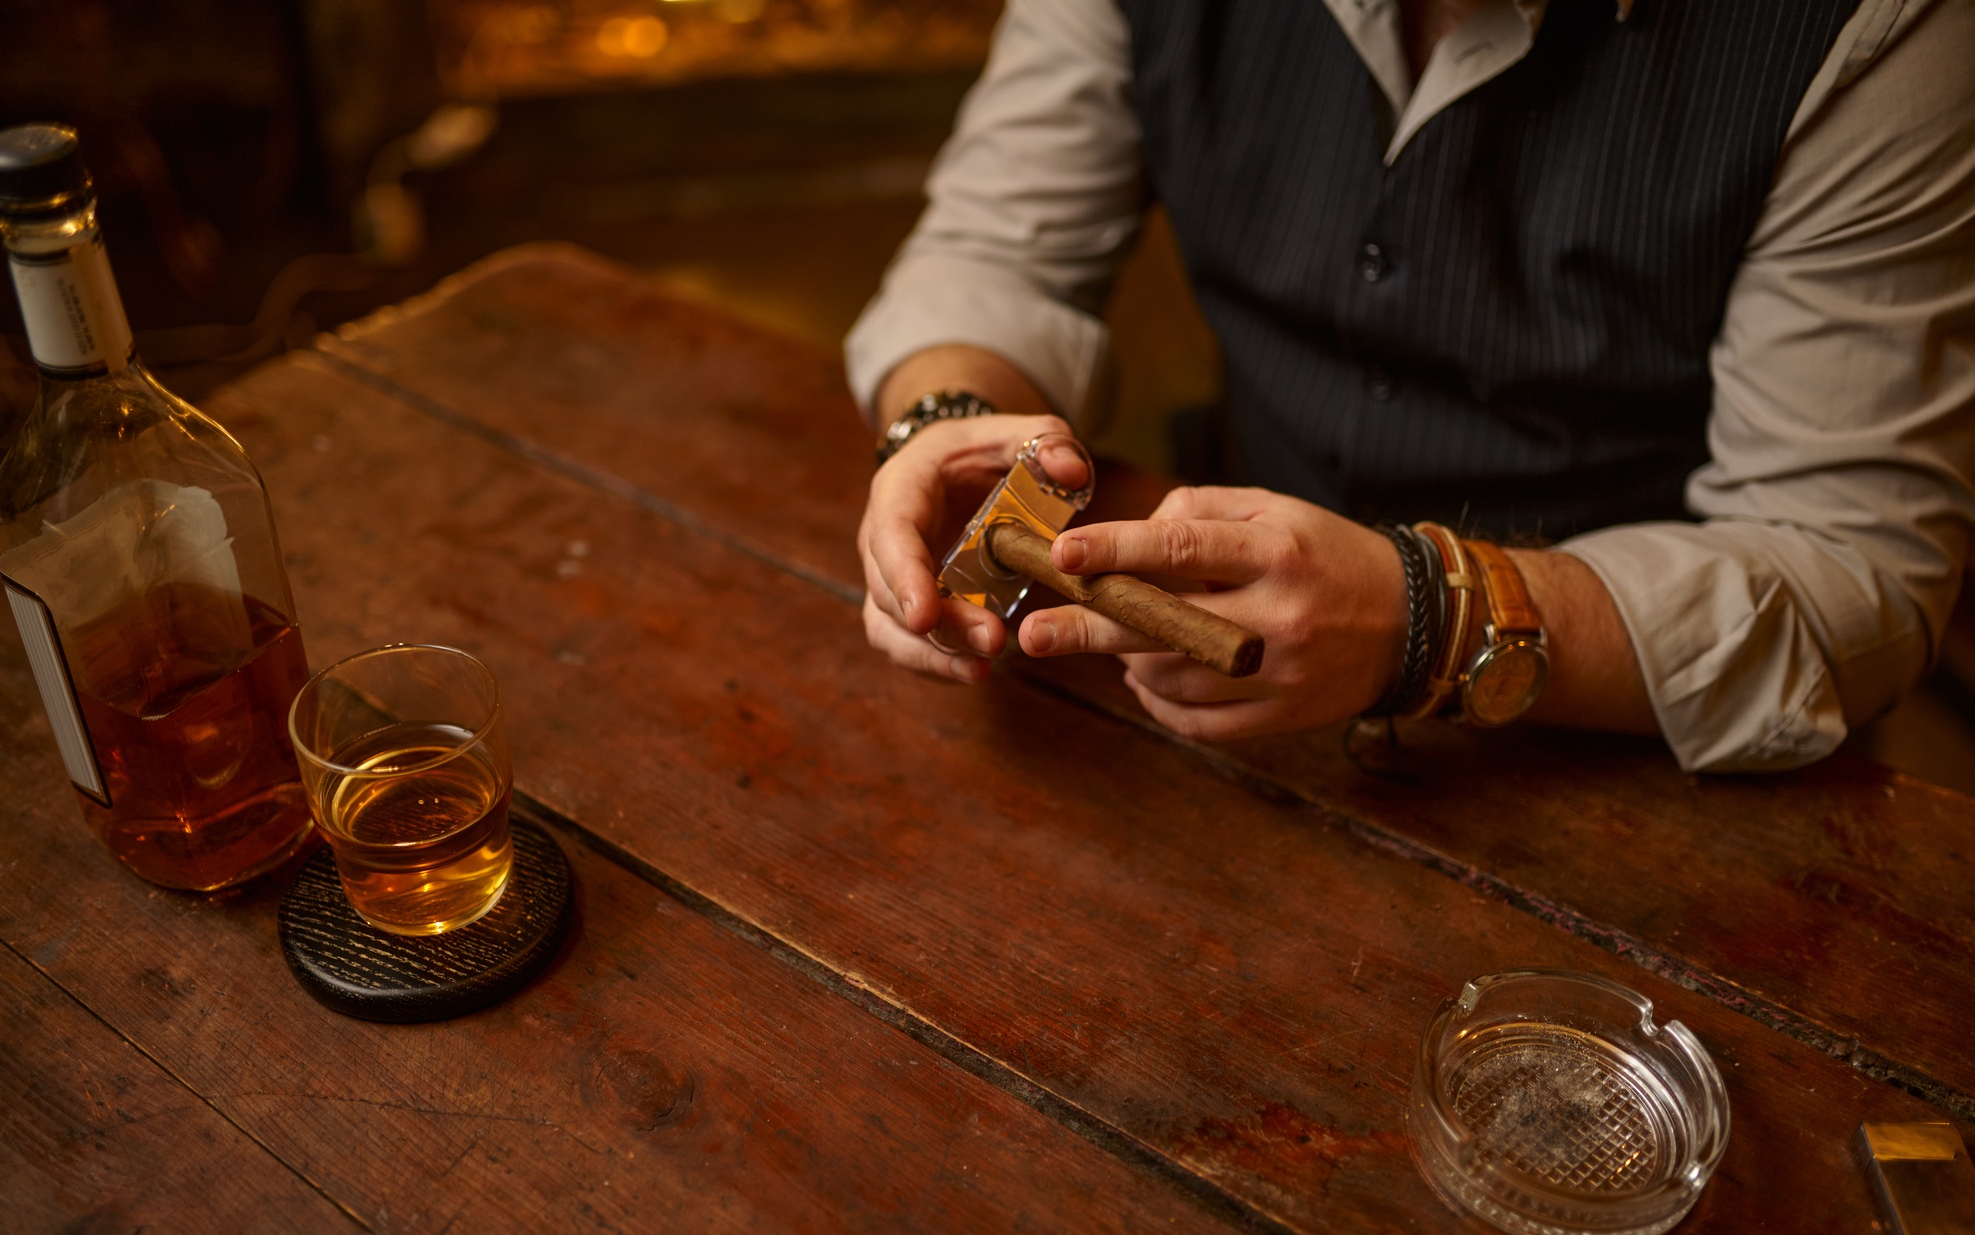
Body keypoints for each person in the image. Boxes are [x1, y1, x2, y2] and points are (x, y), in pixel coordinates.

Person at [845, 0, 1975, 771]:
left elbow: (1849, 568)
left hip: (1633, 751)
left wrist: (1431, 619)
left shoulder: (1881, 26)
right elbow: (999, 251)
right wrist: (946, 421)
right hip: (1227, 728)